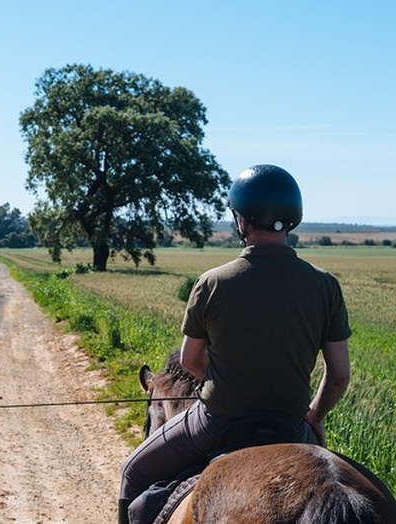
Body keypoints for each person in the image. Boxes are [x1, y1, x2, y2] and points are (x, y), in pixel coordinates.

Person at [118, 164, 352, 524]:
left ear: (241, 220)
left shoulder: (212, 282)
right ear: (292, 218)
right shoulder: (325, 285)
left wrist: (226, 382)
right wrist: (314, 416)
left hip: (217, 421)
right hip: (290, 424)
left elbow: (190, 360)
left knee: (132, 471)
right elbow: (338, 375)